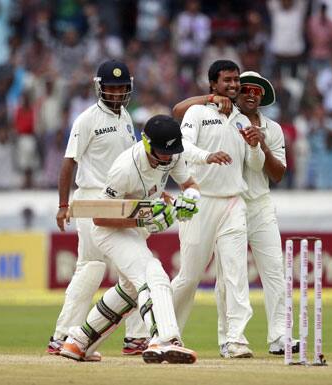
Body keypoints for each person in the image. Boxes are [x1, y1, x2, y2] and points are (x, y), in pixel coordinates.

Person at [172, 71, 300, 356]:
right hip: (229, 202)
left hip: (260, 205)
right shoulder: (220, 114)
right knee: (226, 275)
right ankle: (225, 338)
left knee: (274, 273)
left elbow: (277, 174)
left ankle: (279, 337)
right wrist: (211, 97)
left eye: (257, 92)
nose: (251, 95)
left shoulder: (272, 129)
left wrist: (260, 143)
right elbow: (179, 111)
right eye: (246, 90)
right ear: (235, 94)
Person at [60, 115, 200, 364]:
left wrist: (189, 199)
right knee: (153, 274)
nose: (167, 159)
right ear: (147, 144)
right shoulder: (125, 168)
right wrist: (143, 219)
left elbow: (189, 184)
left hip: (135, 229)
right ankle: (163, 338)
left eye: (171, 153)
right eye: (161, 153)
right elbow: (99, 218)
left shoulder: (171, 153)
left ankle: (79, 341)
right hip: (110, 231)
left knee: (129, 290)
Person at [48, 59, 149, 359]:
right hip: (92, 196)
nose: (117, 94)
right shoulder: (87, 119)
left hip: (120, 199)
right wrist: (63, 205)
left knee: (130, 268)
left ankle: (132, 337)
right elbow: (68, 162)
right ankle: (66, 335)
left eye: (121, 88)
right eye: (111, 88)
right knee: (93, 267)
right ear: (100, 88)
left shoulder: (127, 118)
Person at [170, 60, 265, 358]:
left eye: (236, 80)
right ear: (213, 84)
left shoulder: (242, 120)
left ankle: (234, 339)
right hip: (201, 201)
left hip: (233, 202)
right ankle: (164, 332)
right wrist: (207, 156)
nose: (234, 85)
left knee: (235, 275)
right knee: (190, 275)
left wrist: (253, 146)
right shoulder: (197, 112)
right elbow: (182, 147)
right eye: (227, 80)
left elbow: (256, 166)